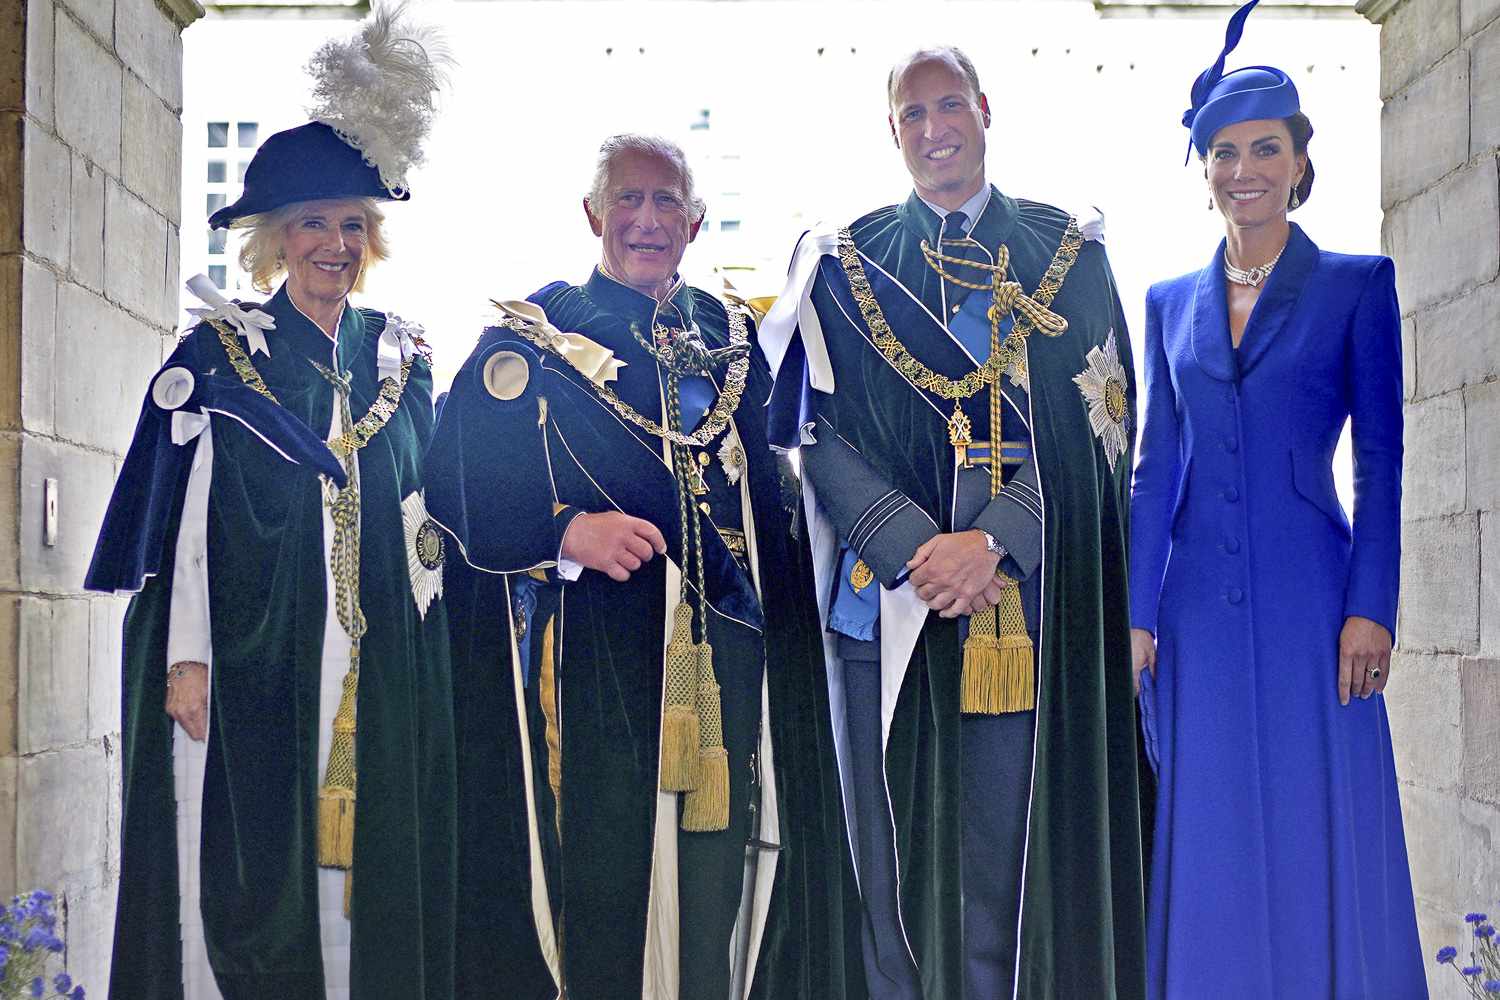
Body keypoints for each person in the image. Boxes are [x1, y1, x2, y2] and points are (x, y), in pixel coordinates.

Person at [424, 134, 862, 1000]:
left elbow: (788, 481)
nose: (648, 220)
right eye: (629, 200)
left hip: (740, 654)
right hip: (599, 660)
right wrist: (565, 532)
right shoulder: (536, 337)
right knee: (604, 870)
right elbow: (455, 481)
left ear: (696, 223)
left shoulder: (739, 337)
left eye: (668, 203)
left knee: (727, 870)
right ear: (593, 214)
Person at [761, 45, 1146, 1000]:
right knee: (887, 858)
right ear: (890, 130)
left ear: (984, 109)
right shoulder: (842, 263)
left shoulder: (1072, 253)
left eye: (948, 107)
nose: (933, 131)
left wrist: (996, 542)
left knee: (1006, 857)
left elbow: (1107, 424)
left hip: (1021, 613)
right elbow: (811, 430)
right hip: (886, 605)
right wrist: (910, 549)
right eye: (911, 115)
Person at [85, 9, 455, 998]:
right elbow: (189, 528)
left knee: (365, 882)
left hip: (381, 664)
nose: (333, 243)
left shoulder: (406, 356)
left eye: (349, 223)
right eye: (312, 223)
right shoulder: (218, 357)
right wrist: (188, 657)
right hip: (255, 662)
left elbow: (441, 503)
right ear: (274, 239)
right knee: (253, 873)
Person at [1129, 3, 1424, 996]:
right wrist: (1135, 614)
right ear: (1203, 166)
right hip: (1196, 618)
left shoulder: (1356, 286)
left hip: (1314, 606)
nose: (1242, 168)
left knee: (1314, 810)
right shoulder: (1168, 301)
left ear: (1300, 161)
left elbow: (1381, 455)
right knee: (1207, 820)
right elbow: (1152, 465)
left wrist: (1370, 604)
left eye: (1264, 148)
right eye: (1224, 151)